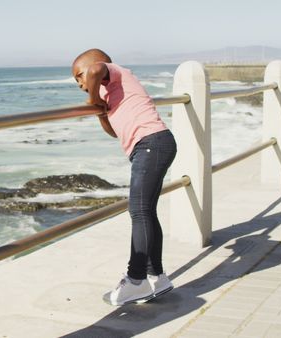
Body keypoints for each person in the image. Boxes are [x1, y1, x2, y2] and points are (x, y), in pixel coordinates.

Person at [71, 48, 178, 306]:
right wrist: (99, 109)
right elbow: (112, 130)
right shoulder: (112, 90)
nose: (80, 84)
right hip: (154, 144)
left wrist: (92, 97)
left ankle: (135, 279)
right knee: (146, 212)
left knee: (139, 211)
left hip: (150, 143)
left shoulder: (116, 72)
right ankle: (157, 277)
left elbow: (96, 70)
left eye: (79, 76)